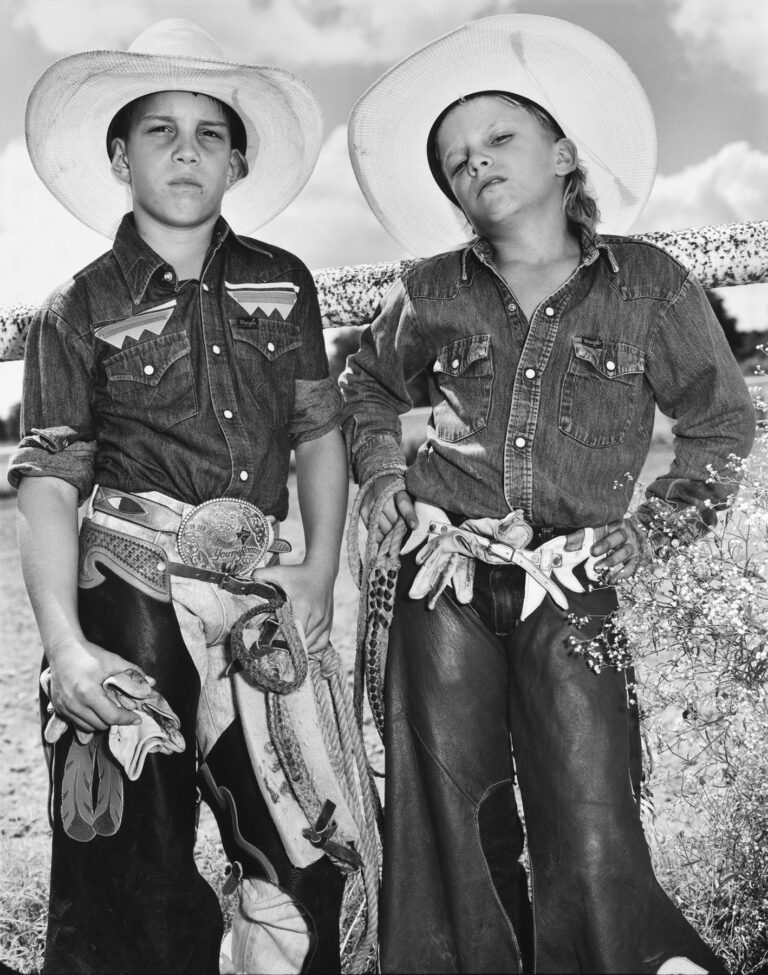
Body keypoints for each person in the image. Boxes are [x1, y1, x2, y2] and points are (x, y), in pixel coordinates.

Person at [340, 14, 755, 975]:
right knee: (442, 798)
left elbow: (720, 421)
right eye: (454, 161)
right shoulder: (431, 288)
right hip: (440, 574)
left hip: (574, 575)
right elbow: (366, 385)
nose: (473, 163)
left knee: (591, 798)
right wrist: (387, 475)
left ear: (564, 153)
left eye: (498, 138)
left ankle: (621, 958)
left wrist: (653, 532)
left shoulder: (648, 284)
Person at [9, 19, 357, 975]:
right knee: (128, 842)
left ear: (237, 161)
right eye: (159, 130)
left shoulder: (283, 284)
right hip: (129, 589)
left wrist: (320, 568)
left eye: (209, 132)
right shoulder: (76, 308)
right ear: (120, 155)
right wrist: (68, 644)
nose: (186, 150)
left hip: (258, 592)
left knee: (298, 826)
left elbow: (319, 431)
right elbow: (48, 482)